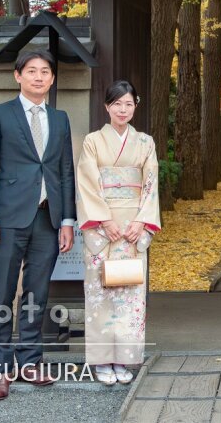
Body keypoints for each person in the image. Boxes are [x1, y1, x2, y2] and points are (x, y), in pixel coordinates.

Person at [0, 50, 76, 401]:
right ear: (17, 76)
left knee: (37, 292)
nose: (38, 77)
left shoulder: (60, 119)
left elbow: (65, 172)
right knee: (2, 291)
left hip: (48, 219)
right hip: (7, 219)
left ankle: (30, 362)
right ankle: (1, 371)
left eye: (44, 72)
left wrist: (67, 221)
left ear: (51, 78)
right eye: (31, 71)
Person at [76, 80, 160, 386]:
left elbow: (150, 184)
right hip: (104, 227)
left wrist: (142, 221)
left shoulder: (145, 143)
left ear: (135, 106)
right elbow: (86, 182)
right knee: (101, 294)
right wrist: (103, 220)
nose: (122, 110)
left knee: (129, 293)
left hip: (133, 226)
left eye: (128, 104)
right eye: (116, 104)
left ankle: (125, 358)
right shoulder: (93, 142)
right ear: (106, 107)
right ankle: (100, 361)